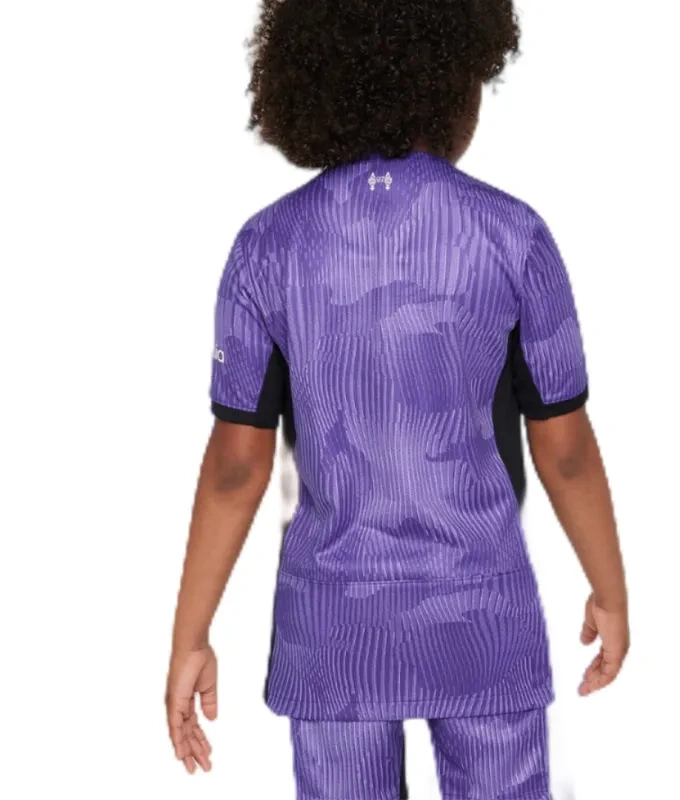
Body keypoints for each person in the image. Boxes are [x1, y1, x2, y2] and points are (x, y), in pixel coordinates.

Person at [166, 2, 629, 798]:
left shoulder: (266, 247)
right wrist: (610, 592)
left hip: (332, 631)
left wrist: (191, 636)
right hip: (481, 618)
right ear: (455, 77)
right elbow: (566, 449)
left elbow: (237, 468)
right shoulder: (513, 236)